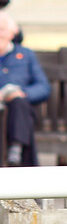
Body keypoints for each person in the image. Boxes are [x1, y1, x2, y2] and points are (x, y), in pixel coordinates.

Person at [0, 11, 50, 166]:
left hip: (19, 111)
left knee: (19, 102)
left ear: (12, 32)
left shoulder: (25, 55)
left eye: (1, 29)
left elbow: (43, 87)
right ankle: (17, 148)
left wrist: (23, 93)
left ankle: (16, 147)